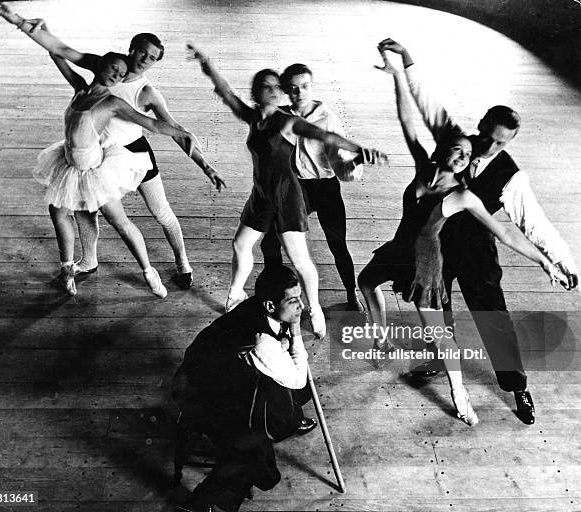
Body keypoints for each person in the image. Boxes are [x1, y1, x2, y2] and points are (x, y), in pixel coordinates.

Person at [376, 39, 579, 425]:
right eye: (487, 136)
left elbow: (532, 222)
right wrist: (408, 61)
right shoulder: (457, 142)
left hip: (477, 252)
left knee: (492, 317)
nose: (488, 147)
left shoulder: (511, 176)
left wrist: (560, 261)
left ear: (509, 143)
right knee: (439, 310)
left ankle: (516, 384)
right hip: (435, 246)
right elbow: (428, 105)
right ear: (481, 124)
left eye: (500, 143)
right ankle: (440, 357)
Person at [0, 8, 226, 290]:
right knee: (85, 208)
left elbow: (175, 131)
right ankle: (89, 260)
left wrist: (206, 166)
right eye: (143, 52)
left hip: (133, 154)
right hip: (99, 154)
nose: (145, 60)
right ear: (132, 49)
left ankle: (182, 261)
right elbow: (60, 49)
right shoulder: (106, 68)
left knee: (160, 211)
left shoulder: (147, 93)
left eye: (153, 58)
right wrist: (20, 22)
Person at [187, 43, 387, 338]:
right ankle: (235, 295)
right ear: (256, 92)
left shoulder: (287, 121)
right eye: (264, 87)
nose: (271, 91)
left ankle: (314, 308)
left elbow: (325, 135)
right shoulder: (255, 118)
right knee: (241, 245)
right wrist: (207, 65)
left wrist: (360, 150)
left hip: (286, 197)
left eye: (274, 87)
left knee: (301, 260)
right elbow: (227, 93)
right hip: (262, 195)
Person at [172, 265, 316, 512]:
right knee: (253, 448)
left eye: (300, 298)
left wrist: (281, 343)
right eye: (293, 301)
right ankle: (199, 503)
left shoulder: (255, 308)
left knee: (288, 392)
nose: (300, 306)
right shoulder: (262, 340)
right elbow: (297, 379)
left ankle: (291, 417)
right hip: (202, 391)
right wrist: (294, 331)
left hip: (218, 373)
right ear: (270, 306)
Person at [260, 63, 367, 311]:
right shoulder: (282, 117)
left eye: (305, 86)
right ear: (287, 91)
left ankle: (351, 292)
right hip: (297, 188)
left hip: (325, 187)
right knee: (271, 239)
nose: (301, 93)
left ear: (312, 86)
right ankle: (275, 290)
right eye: (294, 89)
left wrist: (357, 160)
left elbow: (341, 163)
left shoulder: (327, 119)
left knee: (337, 243)